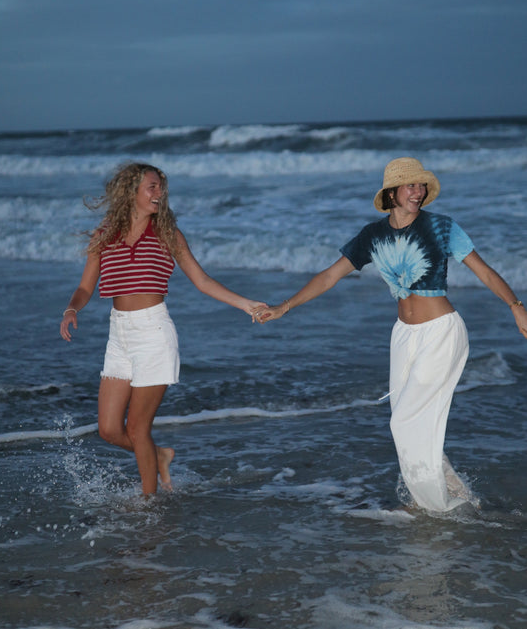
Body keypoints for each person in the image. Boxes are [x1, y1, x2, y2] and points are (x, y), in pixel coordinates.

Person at [255, 157, 527, 512]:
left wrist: (515, 305)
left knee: (405, 422)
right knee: (409, 423)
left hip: (441, 332)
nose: (418, 192)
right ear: (392, 193)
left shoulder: (442, 228)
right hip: (403, 336)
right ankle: (456, 496)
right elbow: (328, 276)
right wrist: (285, 306)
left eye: (421, 185)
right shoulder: (373, 235)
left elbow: (485, 272)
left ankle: (433, 507)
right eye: (410, 185)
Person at [60, 162, 266, 497]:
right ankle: (159, 456)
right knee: (110, 430)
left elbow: (202, 281)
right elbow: (84, 288)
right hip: (119, 335)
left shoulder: (167, 233)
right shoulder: (104, 235)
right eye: (152, 187)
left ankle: (148, 502)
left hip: (154, 332)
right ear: (132, 192)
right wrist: (71, 309)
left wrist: (246, 304)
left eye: (161, 187)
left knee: (138, 429)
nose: (159, 193)